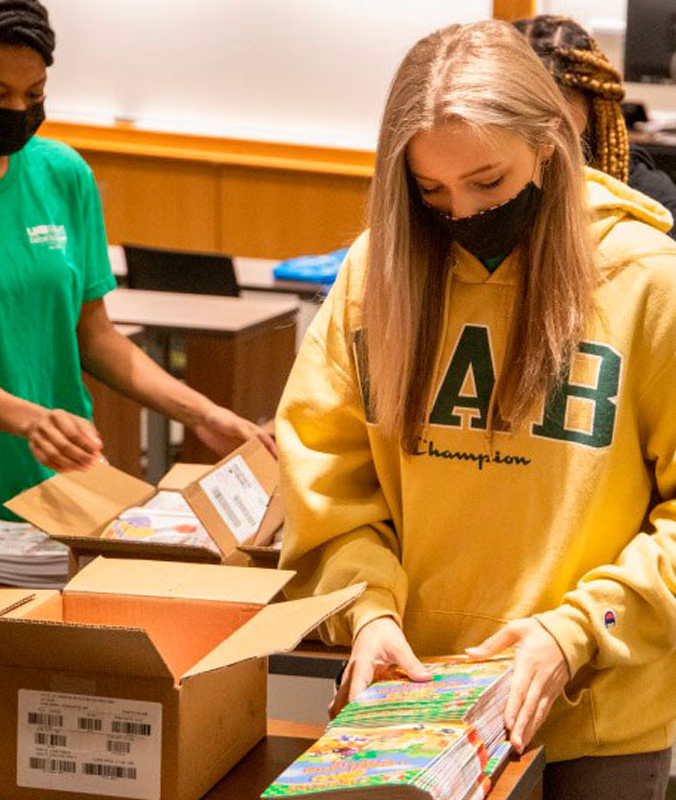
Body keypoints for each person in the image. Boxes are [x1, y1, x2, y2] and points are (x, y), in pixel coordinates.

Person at [276, 19, 676, 800]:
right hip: (417, 712)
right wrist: (367, 612)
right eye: (430, 193)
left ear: (552, 143)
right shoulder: (376, 272)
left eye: (488, 184)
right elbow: (325, 482)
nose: (459, 214)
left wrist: (577, 632)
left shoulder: (647, 280)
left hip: (596, 720)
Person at [0, 0, 275, 526]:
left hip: (61, 491)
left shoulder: (63, 173)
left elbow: (96, 335)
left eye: (34, 93)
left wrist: (204, 414)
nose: (17, 110)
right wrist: (34, 422)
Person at [515, 14, 676, 237]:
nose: (535, 116)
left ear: (592, 102)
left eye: (559, 97)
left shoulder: (649, 199)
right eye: (519, 99)